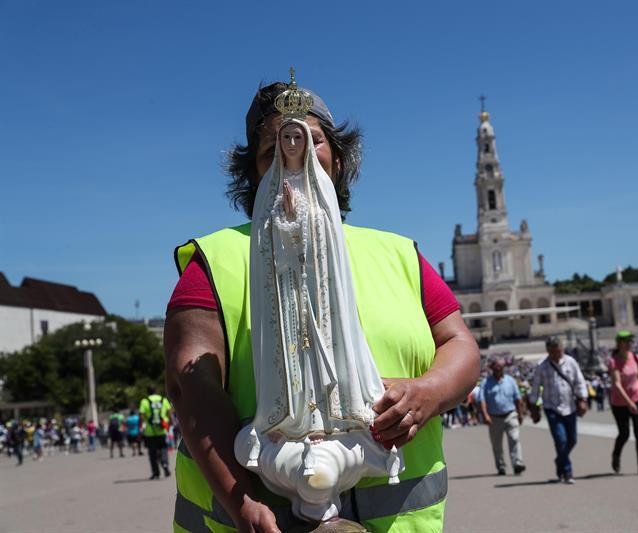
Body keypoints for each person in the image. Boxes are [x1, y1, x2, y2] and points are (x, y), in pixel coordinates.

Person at [164, 74, 480, 533]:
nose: (295, 157)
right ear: (252, 172)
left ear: (337, 159)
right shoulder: (217, 260)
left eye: (312, 142)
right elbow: (191, 386)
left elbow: (461, 346)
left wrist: (428, 392)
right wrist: (243, 500)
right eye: (272, 150)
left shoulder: (398, 254)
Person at [528, 337, 588, 484]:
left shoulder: (570, 362)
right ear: (548, 351)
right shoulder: (542, 366)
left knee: (572, 440)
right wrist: (534, 407)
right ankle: (567, 472)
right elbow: (536, 388)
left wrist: (582, 399)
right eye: (553, 352)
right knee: (561, 440)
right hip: (552, 408)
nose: (556, 354)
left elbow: (579, 381)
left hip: (570, 406)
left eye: (559, 351)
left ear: (562, 349)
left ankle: (560, 460)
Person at [608, 331, 638, 476]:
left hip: (637, 397)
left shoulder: (637, 358)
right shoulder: (614, 361)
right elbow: (617, 384)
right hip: (620, 402)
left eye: (631, 341)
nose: (629, 344)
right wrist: (629, 403)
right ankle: (616, 454)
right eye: (626, 341)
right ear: (619, 343)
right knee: (624, 433)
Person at [478, 358, 526, 476]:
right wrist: (485, 415)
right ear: (492, 368)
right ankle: (501, 466)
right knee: (497, 445)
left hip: (510, 415)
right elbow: (482, 400)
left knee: (514, 439)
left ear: (504, 368)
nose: (498, 369)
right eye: (496, 367)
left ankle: (517, 464)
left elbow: (518, 399)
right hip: (494, 418)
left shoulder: (510, 381)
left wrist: (520, 414)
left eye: (501, 367)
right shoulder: (486, 382)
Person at [140, 386, 172, 480]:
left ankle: (156, 473)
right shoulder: (163, 399)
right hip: (162, 430)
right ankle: (165, 463)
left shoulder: (144, 401)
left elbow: (142, 415)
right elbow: (169, 413)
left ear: (148, 392)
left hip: (150, 432)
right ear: (156, 391)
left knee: (152, 453)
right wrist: (167, 424)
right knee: (163, 448)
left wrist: (142, 426)